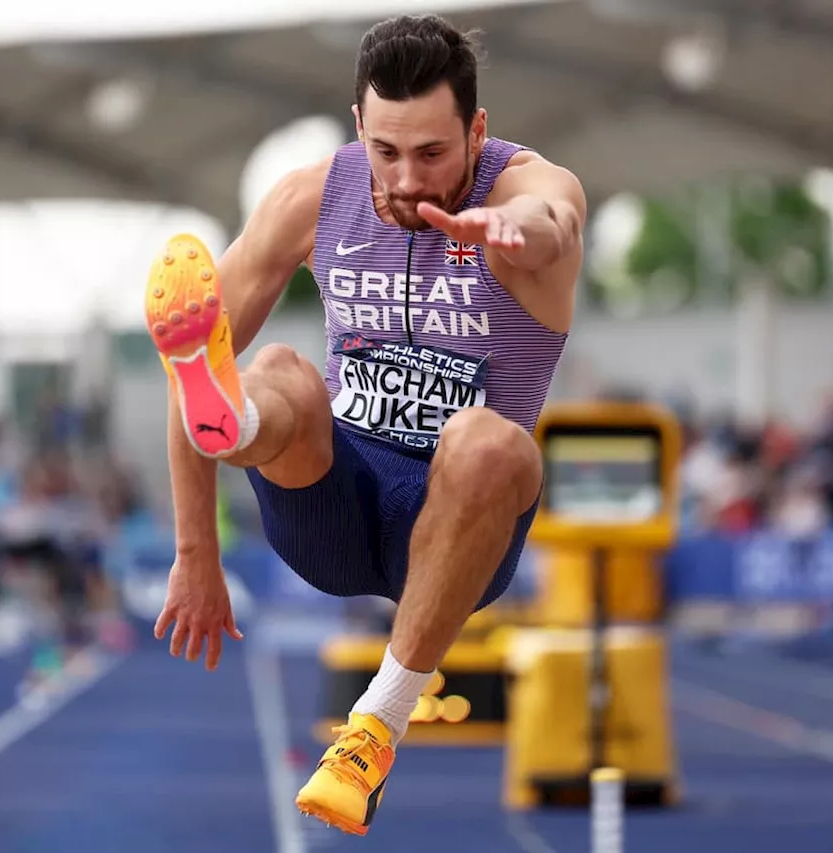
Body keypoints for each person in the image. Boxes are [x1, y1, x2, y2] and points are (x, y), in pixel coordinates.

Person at [146, 14, 585, 836]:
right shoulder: (309, 199)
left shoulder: (526, 190)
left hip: (462, 524)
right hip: (332, 499)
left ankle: (373, 730)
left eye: (433, 154)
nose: (409, 179)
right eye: (386, 151)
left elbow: (554, 217)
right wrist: (196, 555)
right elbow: (184, 365)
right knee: (272, 367)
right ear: (358, 126)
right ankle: (233, 418)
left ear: (476, 130)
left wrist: (511, 230)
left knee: (493, 440)